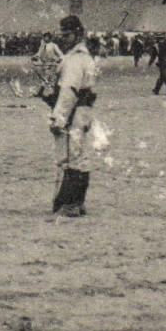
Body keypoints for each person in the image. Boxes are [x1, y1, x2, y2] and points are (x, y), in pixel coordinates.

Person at [48, 16, 98, 217]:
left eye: (67, 35)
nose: (63, 39)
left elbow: (69, 91)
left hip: (74, 111)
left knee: (69, 156)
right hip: (84, 111)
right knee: (80, 155)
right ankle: (78, 201)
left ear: (78, 34)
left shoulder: (75, 60)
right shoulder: (84, 57)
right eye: (62, 35)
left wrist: (58, 118)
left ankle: (69, 203)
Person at [31, 32, 65, 108]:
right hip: (44, 64)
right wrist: (34, 56)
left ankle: (46, 93)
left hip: (52, 64)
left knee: (49, 79)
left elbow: (60, 54)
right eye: (44, 37)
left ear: (50, 38)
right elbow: (39, 53)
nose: (45, 38)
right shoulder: (42, 45)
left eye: (46, 37)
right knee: (46, 79)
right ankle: (44, 93)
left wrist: (59, 59)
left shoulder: (53, 45)